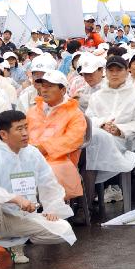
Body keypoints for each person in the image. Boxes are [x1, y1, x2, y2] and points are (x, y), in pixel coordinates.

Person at [0, 110, 76, 269]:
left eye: (26, 127)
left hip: (23, 217)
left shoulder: (32, 154)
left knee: (62, 230)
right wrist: (14, 198)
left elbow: (48, 183)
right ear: (4, 134)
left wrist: (51, 209)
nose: (25, 133)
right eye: (19, 129)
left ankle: (15, 244)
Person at [85, 55, 135, 203]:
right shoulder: (97, 96)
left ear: (126, 72)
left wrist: (120, 130)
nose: (114, 74)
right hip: (97, 138)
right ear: (106, 72)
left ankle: (90, 199)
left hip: (123, 141)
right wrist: (102, 124)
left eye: (118, 70)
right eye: (111, 70)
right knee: (89, 147)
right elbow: (88, 118)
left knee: (95, 146)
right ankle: (86, 199)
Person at [27, 70, 87, 199]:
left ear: (63, 90)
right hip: (28, 157)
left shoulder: (74, 114)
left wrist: (43, 148)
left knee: (48, 172)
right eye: (43, 86)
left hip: (60, 160)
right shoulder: (33, 111)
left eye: (50, 86)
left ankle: (52, 213)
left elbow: (72, 139)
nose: (44, 90)